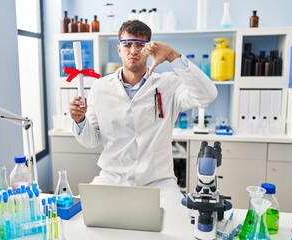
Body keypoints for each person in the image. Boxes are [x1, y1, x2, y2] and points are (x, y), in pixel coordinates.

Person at [69, 20, 217, 205]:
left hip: (159, 184)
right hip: (112, 180)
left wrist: (172, 55)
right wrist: (80, 120)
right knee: (85, 223)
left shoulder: (168, 84)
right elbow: (91, 141)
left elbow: (207, 95)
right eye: (127, 44)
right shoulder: (100, 87)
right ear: (119, 49)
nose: (133, 50)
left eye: (140, 45)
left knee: (176, 227)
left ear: (150, 49)